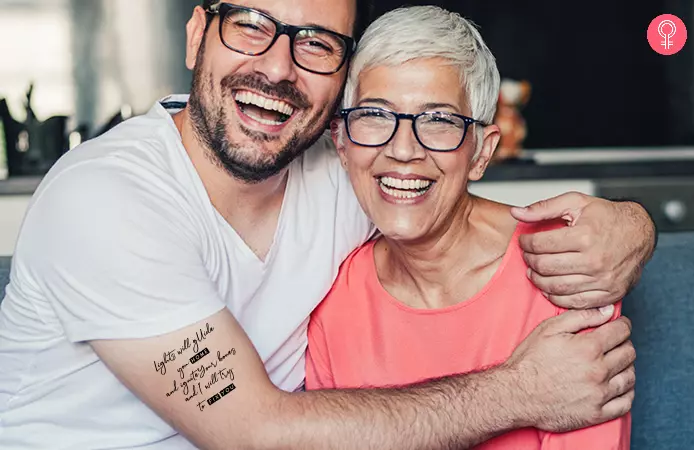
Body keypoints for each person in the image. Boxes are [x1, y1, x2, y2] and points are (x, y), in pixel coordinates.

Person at [0, 0, 652, 448]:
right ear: (197, 35)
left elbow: (441, 195)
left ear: (339, 82)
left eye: (315, 44)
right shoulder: (106, 198)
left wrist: (631, 226)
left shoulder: (344, 169)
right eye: (252, 25)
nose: (279, 67)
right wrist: (525, 390)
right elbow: (253, 434)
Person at [305, 6, 631, 449]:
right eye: (376, 116)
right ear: (341, 142)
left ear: (481, 152)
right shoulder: (329, 299)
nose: (403, 150)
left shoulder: (567, 269)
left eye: (438, 121)